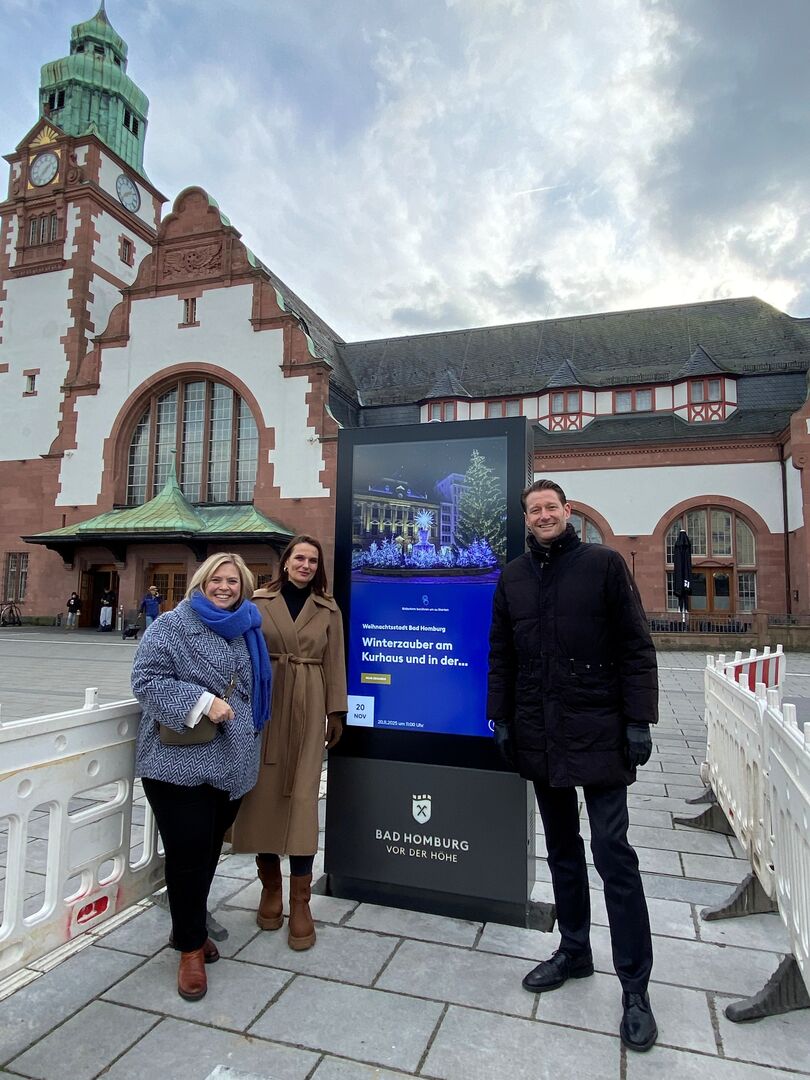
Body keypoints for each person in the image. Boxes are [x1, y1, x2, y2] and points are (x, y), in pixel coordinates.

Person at [487, 479, 659, 1053]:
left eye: (551, 507)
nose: (543, 515)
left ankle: (635, 988)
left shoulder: (604, 565)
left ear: (568, 511)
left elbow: (636, 646)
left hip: (600, 729)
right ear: (526, 518)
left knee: (613, 854)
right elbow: (501, 653)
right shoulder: (513, 576)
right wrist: (500, 717)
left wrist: (639, 721)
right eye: (534, 509)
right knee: (562, 848)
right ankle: (575, 950)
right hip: (540, 730)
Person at [131, 552, 271, 1001]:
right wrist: (203, 702)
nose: (224, 587)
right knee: (188, 854)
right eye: (217, 579)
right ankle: (190, 948)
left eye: (233, 580)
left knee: (209, 850)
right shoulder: (173, 625)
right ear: (202, 582)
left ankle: (186, 926)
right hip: (178, 762)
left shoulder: (248, 627)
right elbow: (145, 680)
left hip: (231, 760)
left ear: (243, 587)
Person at [230, 534, 347, 951]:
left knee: (302, 798)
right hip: (266, 704)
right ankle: (270, 889)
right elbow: (241, 654)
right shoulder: (258, 603)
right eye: (300, 558)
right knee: (261, 797)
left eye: (313, 560)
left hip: (308, 702)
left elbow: (335, 660)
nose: (306, 565)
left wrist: (336, 711)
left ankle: (300, 902)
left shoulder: (328, 608)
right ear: (285, 562)